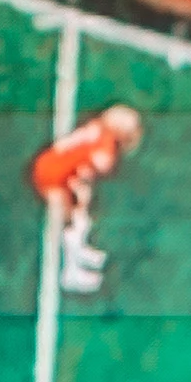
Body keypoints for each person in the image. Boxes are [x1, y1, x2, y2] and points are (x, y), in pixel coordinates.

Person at [27, 103, 142, 296]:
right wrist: (79, 190)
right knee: (74, 220)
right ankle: (71, 271)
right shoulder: (106, 146)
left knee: (79, 215)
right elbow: (96, 166)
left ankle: (79, 251)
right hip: (55, 178)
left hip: (49, 165)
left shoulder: (97, 127)